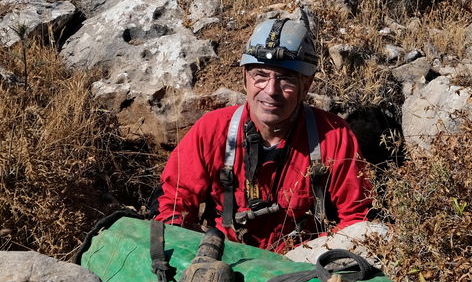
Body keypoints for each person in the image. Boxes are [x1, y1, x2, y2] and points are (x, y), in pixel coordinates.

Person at [155, 15, 378, 254]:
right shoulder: (213, 130)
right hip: (226, 256)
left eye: (285, 79)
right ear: (245, 79)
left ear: (307, 85)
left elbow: (356, 220)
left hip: (301, 264)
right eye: (260, 76)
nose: (271, 91)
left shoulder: (333, 136)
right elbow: (173, 208)